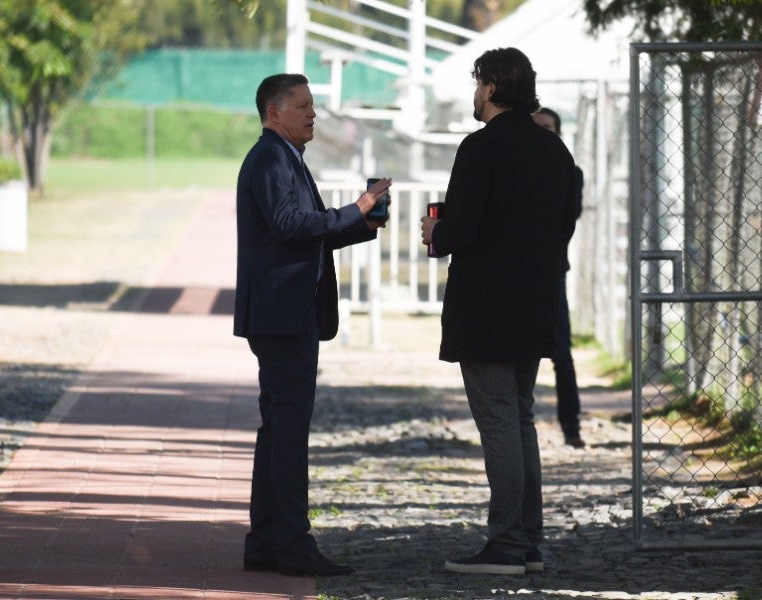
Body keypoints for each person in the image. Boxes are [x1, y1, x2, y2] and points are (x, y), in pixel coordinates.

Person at [420, 48, 577, 575]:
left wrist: (435, 233)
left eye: (477, 84)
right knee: (521, 419)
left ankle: (507, 543)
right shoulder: (554, 151)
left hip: (487, 308)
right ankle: (528, 539)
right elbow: (562, 226)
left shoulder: (481, 148)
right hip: (535, 305)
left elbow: (461, 229)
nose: (475, 94)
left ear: (489, 86)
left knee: (500, 425)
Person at [234, 73, 391, 577]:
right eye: (302, 106)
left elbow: (306, 231)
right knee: (288, 432)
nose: (313, 113)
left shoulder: (286, 159)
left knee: (278, 430)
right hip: (282, 315)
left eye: (312, 105)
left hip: (286, 311)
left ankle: (265, 543)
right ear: (274, 112)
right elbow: (289, 225)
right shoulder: (270, 158)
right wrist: (356, 207)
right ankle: (293, 546)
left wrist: (358, 225)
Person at [532, 107, 585, 449]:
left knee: (561, 353)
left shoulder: (570, 174)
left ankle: (571, 425)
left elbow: (567, 220)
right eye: (538, 129)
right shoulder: (518, 172)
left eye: (549, 128)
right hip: (522, 274)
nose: (544, 134)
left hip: (550, 273)